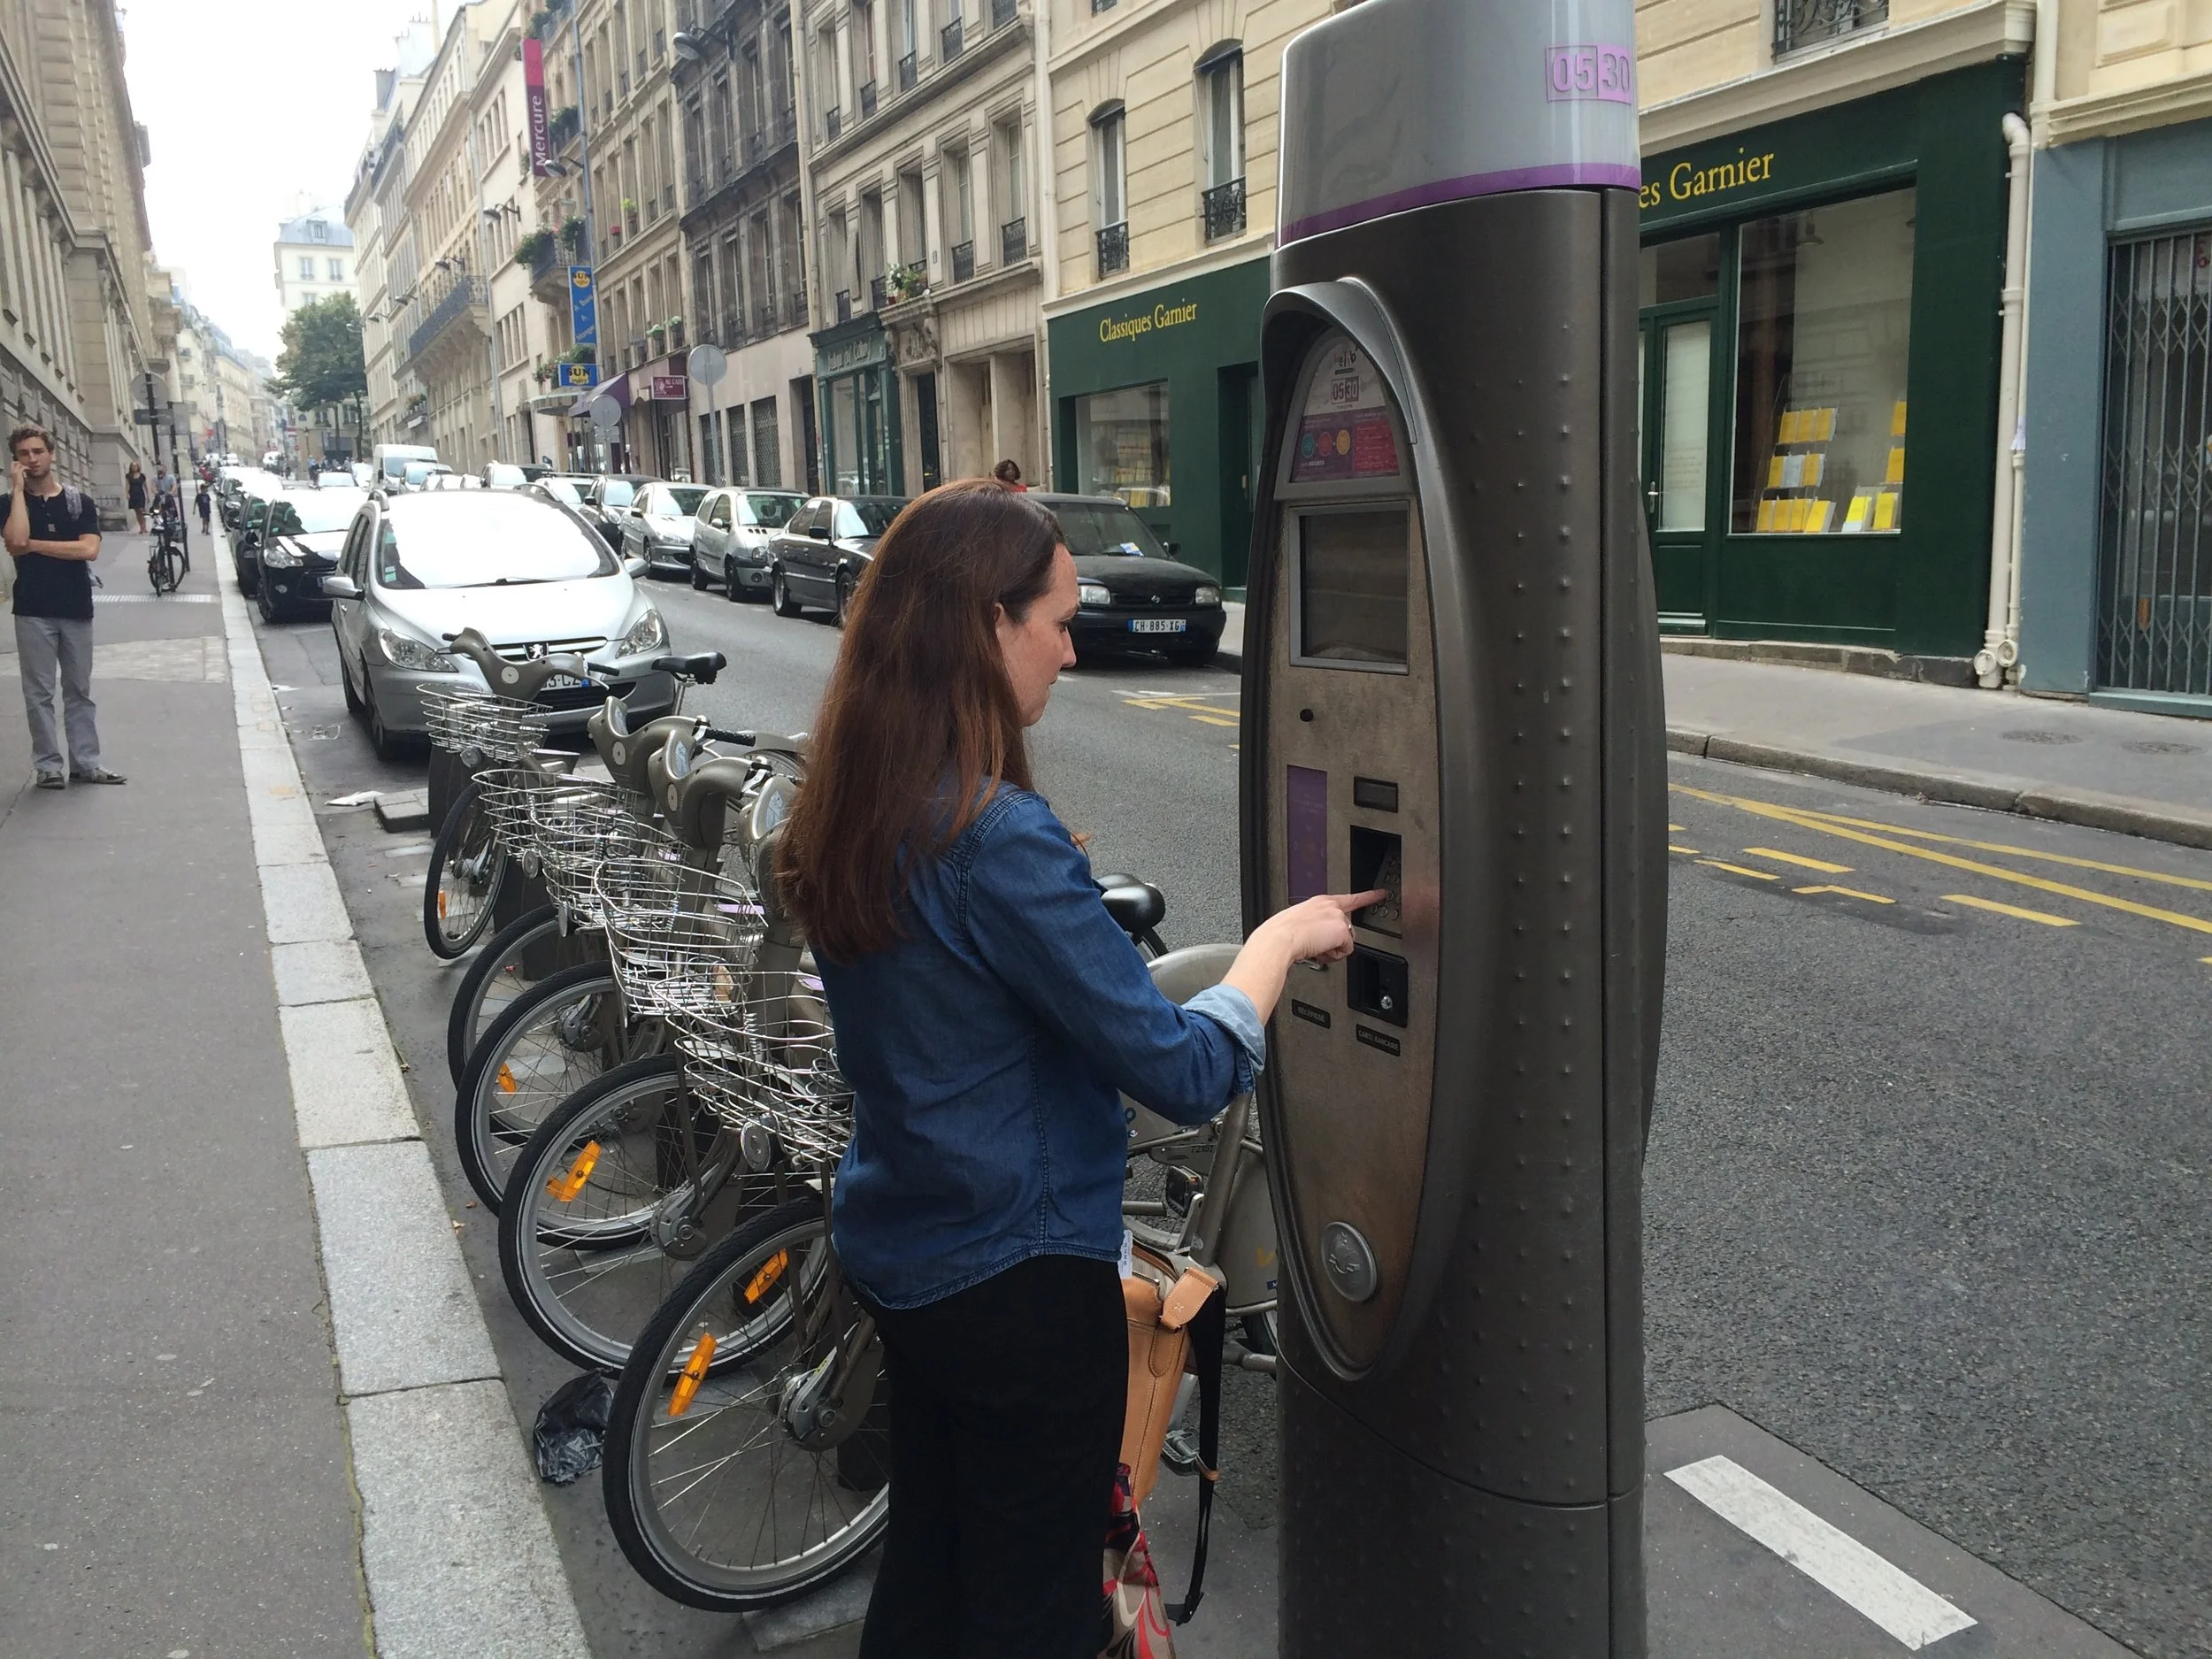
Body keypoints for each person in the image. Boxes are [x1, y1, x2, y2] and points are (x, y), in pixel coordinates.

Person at [777, 480, 1376, 1658]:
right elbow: (1187, 1066)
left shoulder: (856, 802)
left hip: (906, 1250)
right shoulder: (991, 834)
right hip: (1017, 1284)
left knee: (934, 1559)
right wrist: (1277, 942)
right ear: (982, 626)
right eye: (1052, 616)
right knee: (1035, 1603)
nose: (1070, 640)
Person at [5, 424, 125, 788]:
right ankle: (48, 766)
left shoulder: (78, 502)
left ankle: (86, 763)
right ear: (16, 460)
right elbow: (16, 538)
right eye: (24, 454)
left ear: (51, 454)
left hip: (75, 607)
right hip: (32, 610)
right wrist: (16, 490)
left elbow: (88, 550)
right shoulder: (8, 504)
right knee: (38, 694)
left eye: (38, 451)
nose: (32, 459)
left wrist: (36, 547)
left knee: (79, 691)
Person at [125, 460, 148, 533]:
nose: (134, 467)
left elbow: (145, 485)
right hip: (133, 494)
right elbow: (127, 485)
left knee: (142, 510)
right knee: (137, 512)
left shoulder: (142, 476)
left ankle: (145, 526)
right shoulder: (129, 476)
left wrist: (147, 495)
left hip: (140, 494)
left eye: (135, 466)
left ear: (138, 467)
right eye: (132, 466)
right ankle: (141, 527)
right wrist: (127, 493)